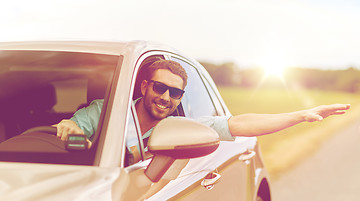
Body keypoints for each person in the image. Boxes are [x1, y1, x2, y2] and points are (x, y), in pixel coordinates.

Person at [56, 59, 351, 150]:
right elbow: (74, 130)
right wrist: (69, 126)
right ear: (145, 86)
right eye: (160, 88)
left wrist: (300, 115)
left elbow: (238, 123)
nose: (166, 98)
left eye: (176, 93)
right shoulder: (106, 111)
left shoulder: (180, 126)